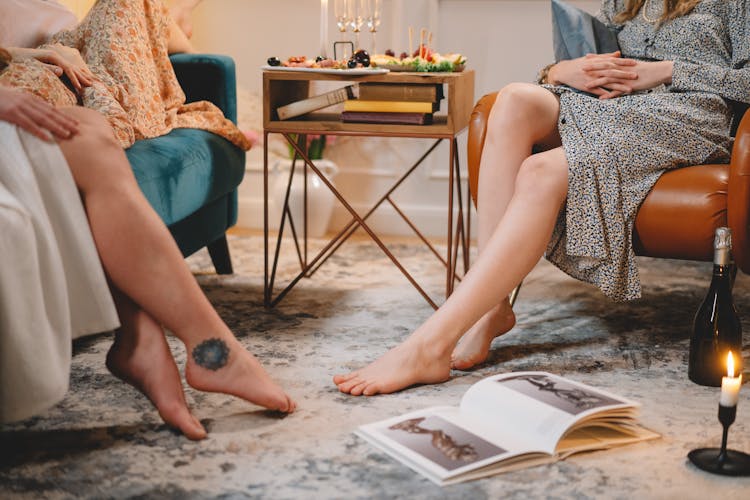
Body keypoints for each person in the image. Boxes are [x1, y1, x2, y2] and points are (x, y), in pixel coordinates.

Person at [334, 0, 747, 395]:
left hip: (691, 117)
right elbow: (599, 61)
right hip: (617, 108)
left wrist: (666, 71)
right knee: (514, 99)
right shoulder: (626, 1)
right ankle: (492, 307)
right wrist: (564, 70)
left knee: (541, 172)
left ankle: (428, 346)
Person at [0, 2, 296, 438]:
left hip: (37, 71)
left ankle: (156, 343)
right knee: (83, 130)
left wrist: (28, 56)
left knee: (90, 130)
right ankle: (193, 348)